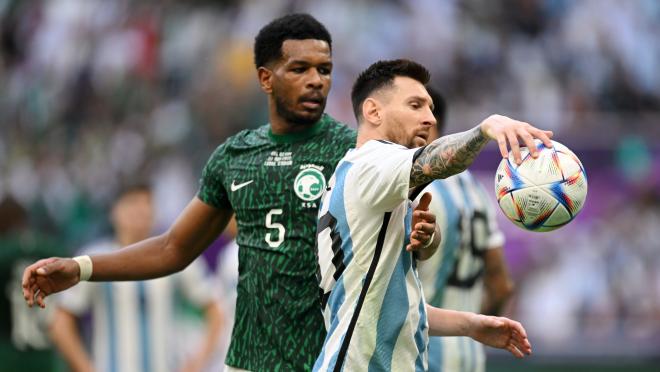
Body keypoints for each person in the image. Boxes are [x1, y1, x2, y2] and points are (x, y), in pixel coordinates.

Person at [21, 14, 435, 372]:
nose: (315, 81)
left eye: (324, 70)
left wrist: (424, 237)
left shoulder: (356, 153)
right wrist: (81, 268)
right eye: (300, 69)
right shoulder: (234, 156)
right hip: (246, 361)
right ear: (265, 78)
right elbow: (172, 248)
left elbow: (407, 239)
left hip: (327, 358)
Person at [315, 59, 550, 371]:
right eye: (415, 105)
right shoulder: (372, 163)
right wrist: (484, 130)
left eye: (430, 108)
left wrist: (470, 325)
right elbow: (435, 162)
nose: (429, 118)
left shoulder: (362, 178)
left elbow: (392, 306)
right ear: (373, 112)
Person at [48, 184, 223, 372]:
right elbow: (60, 320)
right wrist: (85, 367)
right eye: (132, 203)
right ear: (114, 211)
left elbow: (216, 311)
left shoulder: (177, 257)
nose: (140, 211)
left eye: (146, 203)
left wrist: (197, 362)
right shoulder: (95, 257)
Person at [416, 87, 514, 372]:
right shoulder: (476, 190)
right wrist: (471, 328)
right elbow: (501, 287)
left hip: (418, 350)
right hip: (468, 353)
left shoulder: (414, 189)